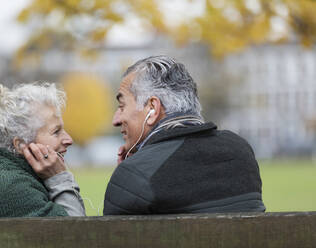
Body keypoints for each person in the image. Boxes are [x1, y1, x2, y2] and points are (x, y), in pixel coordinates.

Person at [103, 55, 265, 215]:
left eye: (122, 106)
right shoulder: (241, 152)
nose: (116, 119)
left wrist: (127, 176)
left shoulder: (134, 176)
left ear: (152, 108)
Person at [0, 81, 85, 218]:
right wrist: (59, 178)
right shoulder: (11, 186)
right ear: (20, 145)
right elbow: (75, 233)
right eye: (56, 132)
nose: (69, 139)